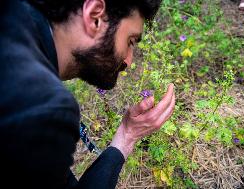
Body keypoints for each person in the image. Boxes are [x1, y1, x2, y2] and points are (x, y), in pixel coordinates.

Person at [0, 0, 176, 188]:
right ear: (95, 17)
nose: (129, 61)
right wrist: (128, 137)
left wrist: (127, 133)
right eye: (130, 41)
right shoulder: (45, 108)